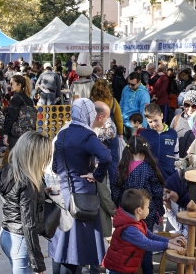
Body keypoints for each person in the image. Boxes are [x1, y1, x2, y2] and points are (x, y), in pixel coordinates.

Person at [49, 98, 112, 274]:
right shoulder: (87, 135)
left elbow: (55, 166)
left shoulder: (63, 133)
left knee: (61, 246)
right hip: (81, 196)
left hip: (62, 195)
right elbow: (106, 157)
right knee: (75, 249)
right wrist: (96, 174)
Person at [0, 131, 50, 274]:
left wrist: (40, 194)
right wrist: (38, 263)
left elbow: (12, 197)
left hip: (5, 233)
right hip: (20, 239)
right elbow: (28, 224)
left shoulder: (8, 169)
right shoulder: (28, 183)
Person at [111, 136, 166, 274]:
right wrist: (160, 211)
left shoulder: (121, 168)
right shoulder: (150, 168)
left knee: (128, 244)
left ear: (128, 151)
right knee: (146, 245)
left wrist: (119, 208)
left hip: (128, 212)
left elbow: (116, 191)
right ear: (146, 150)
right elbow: (157, 191)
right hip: (148, 212)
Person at [102, 189, 186, 274]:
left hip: (124, 267)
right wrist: (169, 245)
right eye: (147, 207)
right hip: (117, 269)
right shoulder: (130, 229)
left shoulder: (137, 222)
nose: (149, 209)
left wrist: (169, 241)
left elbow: (151, 236)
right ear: (139, 210)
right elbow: (147, 244)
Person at [139, 103, 178, 180]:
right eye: (150, 122)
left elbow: (176, 155)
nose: (153, 124)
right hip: (149, 177)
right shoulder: (143, 135)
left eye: (156, 120)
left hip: (169, 176)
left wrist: (177, 172)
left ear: (161, 116)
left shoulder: (173, 134)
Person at [3, 75, 34, 150]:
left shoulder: (16, 98)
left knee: (15, 159)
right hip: (28, 134)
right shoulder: (29, 99)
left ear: (19, 85)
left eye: (12, 83)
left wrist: (6, 134)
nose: (10, 86)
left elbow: (11, 117)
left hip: (16, 134)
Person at [121, 72, 151, 140]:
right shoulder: (125, 88)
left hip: (135, 126)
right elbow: (121, 104)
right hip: (124, 123)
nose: (130, 86)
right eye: (128, 83)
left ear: (139, 82)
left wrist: (143, 128)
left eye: (133, 84)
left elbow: (144, 112)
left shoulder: (144, 94)